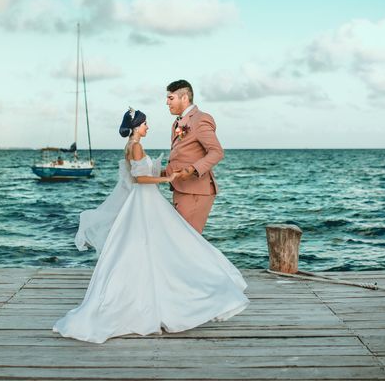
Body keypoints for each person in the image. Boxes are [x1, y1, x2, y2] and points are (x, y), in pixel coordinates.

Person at [52, 108, 249, 344]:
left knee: (153, 244)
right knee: (165, 241)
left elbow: (141, 173)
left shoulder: (133, 145)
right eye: (145, 124)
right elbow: (139, 179)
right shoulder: (135, 146)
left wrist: (160, 170)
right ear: (136, 127)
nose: (148, 128)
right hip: (143, 199)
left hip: (145, 200)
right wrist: (166, 178)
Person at [165, 80, 223, 233]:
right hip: (182, 189)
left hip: (196, 191)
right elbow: (182, 154)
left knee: (187, 242)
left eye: (171, 98)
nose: (167, 103)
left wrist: (191, 169)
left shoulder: (200, 119)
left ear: (184, 98)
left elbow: (216, 152)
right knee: (181, 241)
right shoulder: (176, 123)